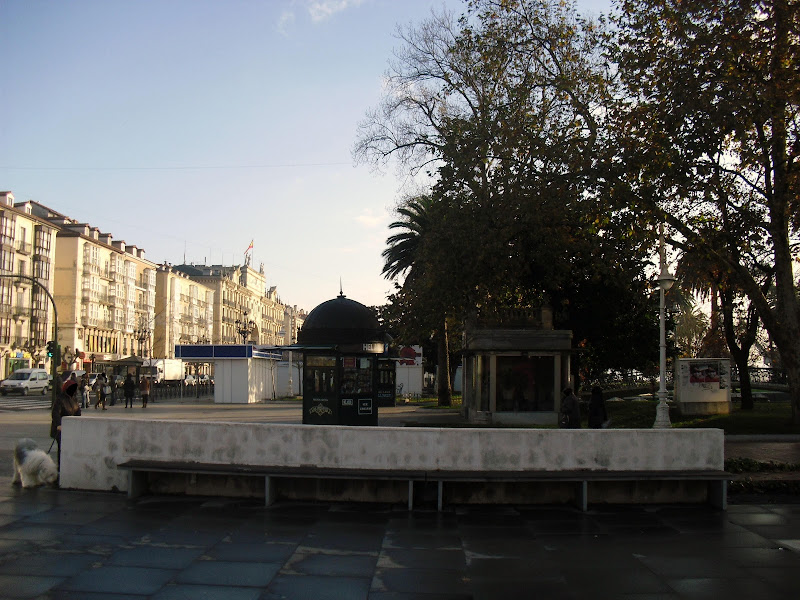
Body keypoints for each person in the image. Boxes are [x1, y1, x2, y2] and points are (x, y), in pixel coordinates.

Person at [50, 379, 82, 469]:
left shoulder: (74, 399)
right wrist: (59, 424)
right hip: (61, 429)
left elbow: (77, 411)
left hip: (70, 428)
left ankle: (67, 465)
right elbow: (55, 413)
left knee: (69, 448)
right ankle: (61, 467)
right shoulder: (60, 399)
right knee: (62, 448)